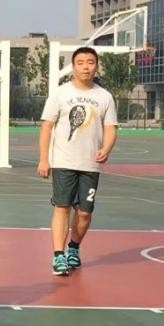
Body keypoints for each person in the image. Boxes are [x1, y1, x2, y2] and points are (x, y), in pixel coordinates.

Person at [37, 46, 118, 277]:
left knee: (84, 213)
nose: (85, 67)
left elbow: (111, 128)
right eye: (80, 62)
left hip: (90, 165)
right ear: (73, 67)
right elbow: (47, 127)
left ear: (96, 66)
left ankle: (73, 247)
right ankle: (58, 255)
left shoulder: (105, 96)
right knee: (62, 207)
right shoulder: (61, 93)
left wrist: (106, 148)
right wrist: (44, 159)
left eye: (90, 62)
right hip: (63, 162)